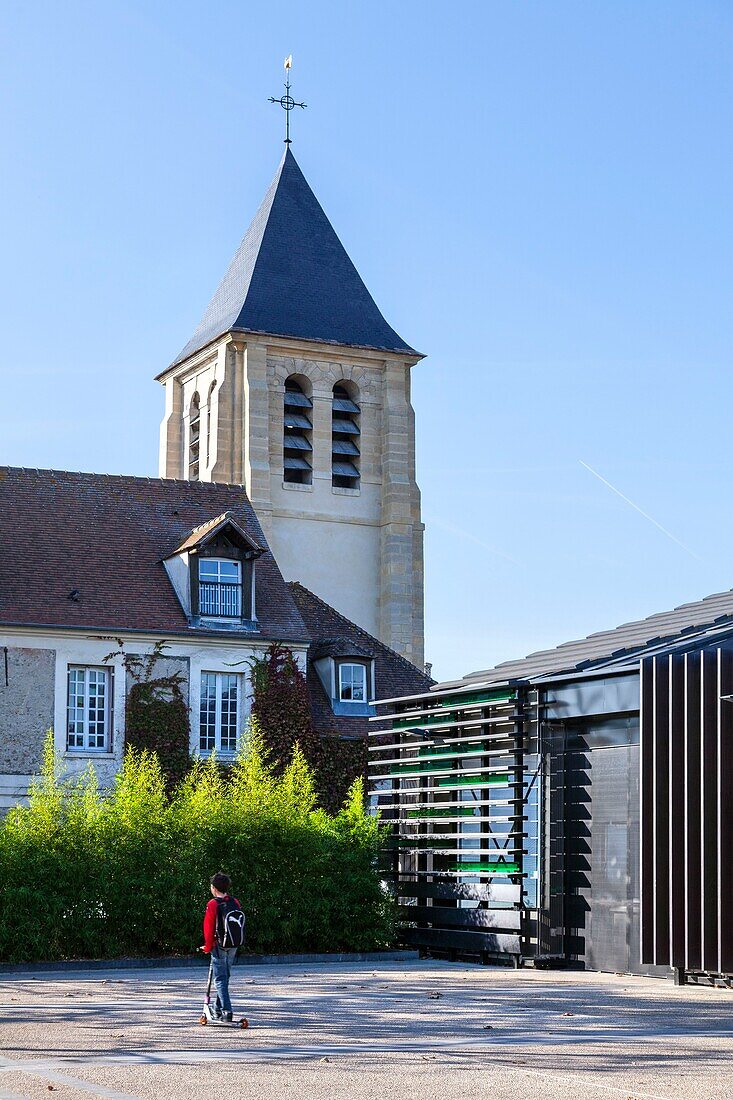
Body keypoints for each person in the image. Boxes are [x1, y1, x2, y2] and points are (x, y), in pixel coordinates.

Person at [200, 872, 243, 1022]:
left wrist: (207, 946)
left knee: (219, 979)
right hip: (233, 944)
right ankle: (217, 1009)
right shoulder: (234, 902)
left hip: (218, 945)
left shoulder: (213, 904)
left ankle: (227, 1010)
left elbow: (209, 927)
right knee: (225, 977)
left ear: (213, 888)